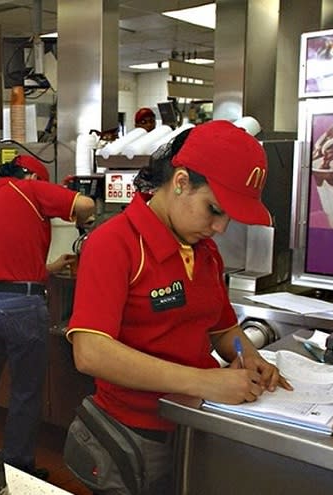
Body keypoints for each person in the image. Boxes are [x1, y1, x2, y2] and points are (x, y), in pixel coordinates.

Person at [65, 120, 292, 495]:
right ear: (182, 182)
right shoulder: (115, 244)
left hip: (195, 426)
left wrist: (248, 356)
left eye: (228, 217)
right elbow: (91, 352)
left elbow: (223, 330)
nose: (220, 227)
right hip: (134, 436)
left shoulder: (205, 252)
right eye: (213, 210)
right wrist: (204, 381)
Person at [0, 154, 95, 478]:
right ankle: (18, 465)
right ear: (33, 178)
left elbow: (3, 267)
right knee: (25, 392)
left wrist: (50, 267)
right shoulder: (30, 191)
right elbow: (84, 203)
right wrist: (87, 220)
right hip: (22, 306)